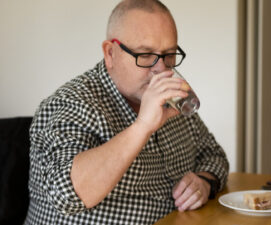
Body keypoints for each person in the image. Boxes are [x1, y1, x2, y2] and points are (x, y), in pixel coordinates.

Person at [24, 0, 229, 224]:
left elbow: (213, 155)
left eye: (169, 54)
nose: (161, 69)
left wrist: (204, 182)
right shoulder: (70, 103)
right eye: (145, 54)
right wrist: (142, 127)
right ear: (110, 53)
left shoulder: (172, 98)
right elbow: (67, 195)